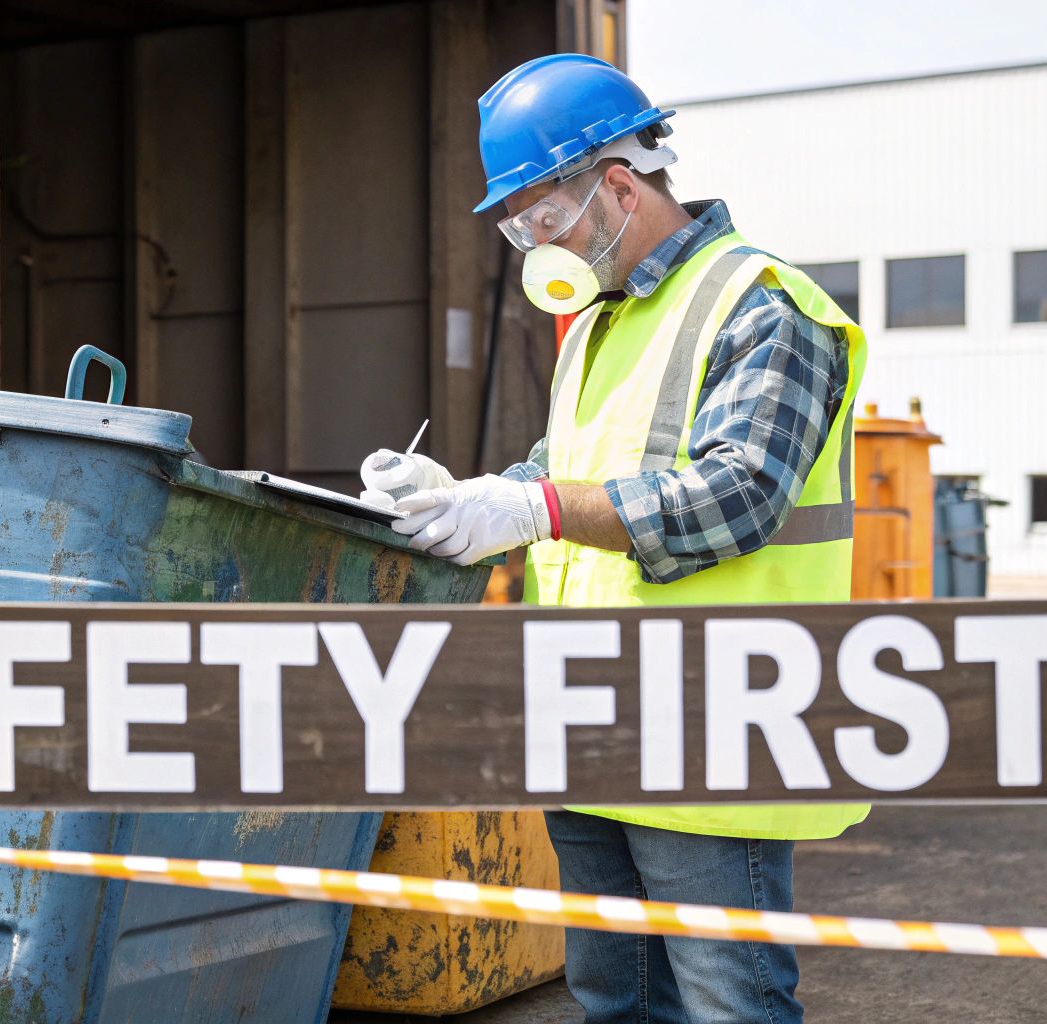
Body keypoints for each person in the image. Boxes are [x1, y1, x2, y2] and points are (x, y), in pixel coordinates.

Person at [359, 54, 869, 1023]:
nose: (531, 245)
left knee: (729, 1005)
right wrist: (463, 494)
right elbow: (560, 474)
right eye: (516, 227)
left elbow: (739, 494)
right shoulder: (597, 325)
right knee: (615, 1001)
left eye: (542, 218)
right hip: (590, 726)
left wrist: (533, 510)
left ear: (620, 185)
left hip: (716, 736)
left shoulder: (763, 306)